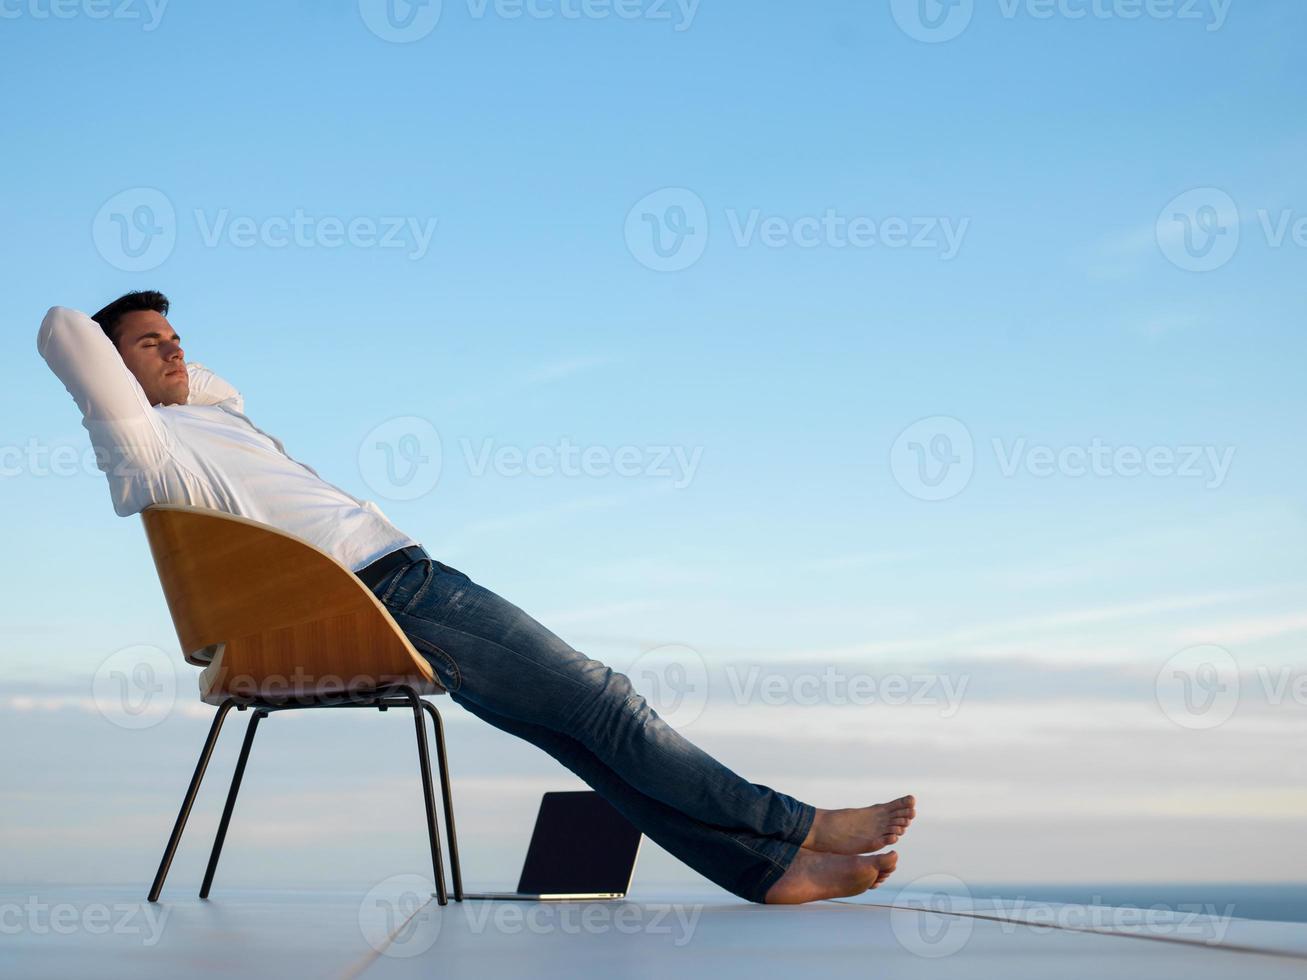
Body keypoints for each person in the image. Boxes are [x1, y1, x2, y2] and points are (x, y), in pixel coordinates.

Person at [38, 290, 915, 905]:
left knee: (582, 735)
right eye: (151, 343)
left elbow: (213, 382)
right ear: (114, 376)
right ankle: (797, 826)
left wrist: (173, 368)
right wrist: (130, 359)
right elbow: (62, 329)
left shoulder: (208, 419)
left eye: (177, 334)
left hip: (392, 587)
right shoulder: (146, 449)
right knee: (606, 703)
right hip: (388, 592)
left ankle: (763, 874)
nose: (176, 348)